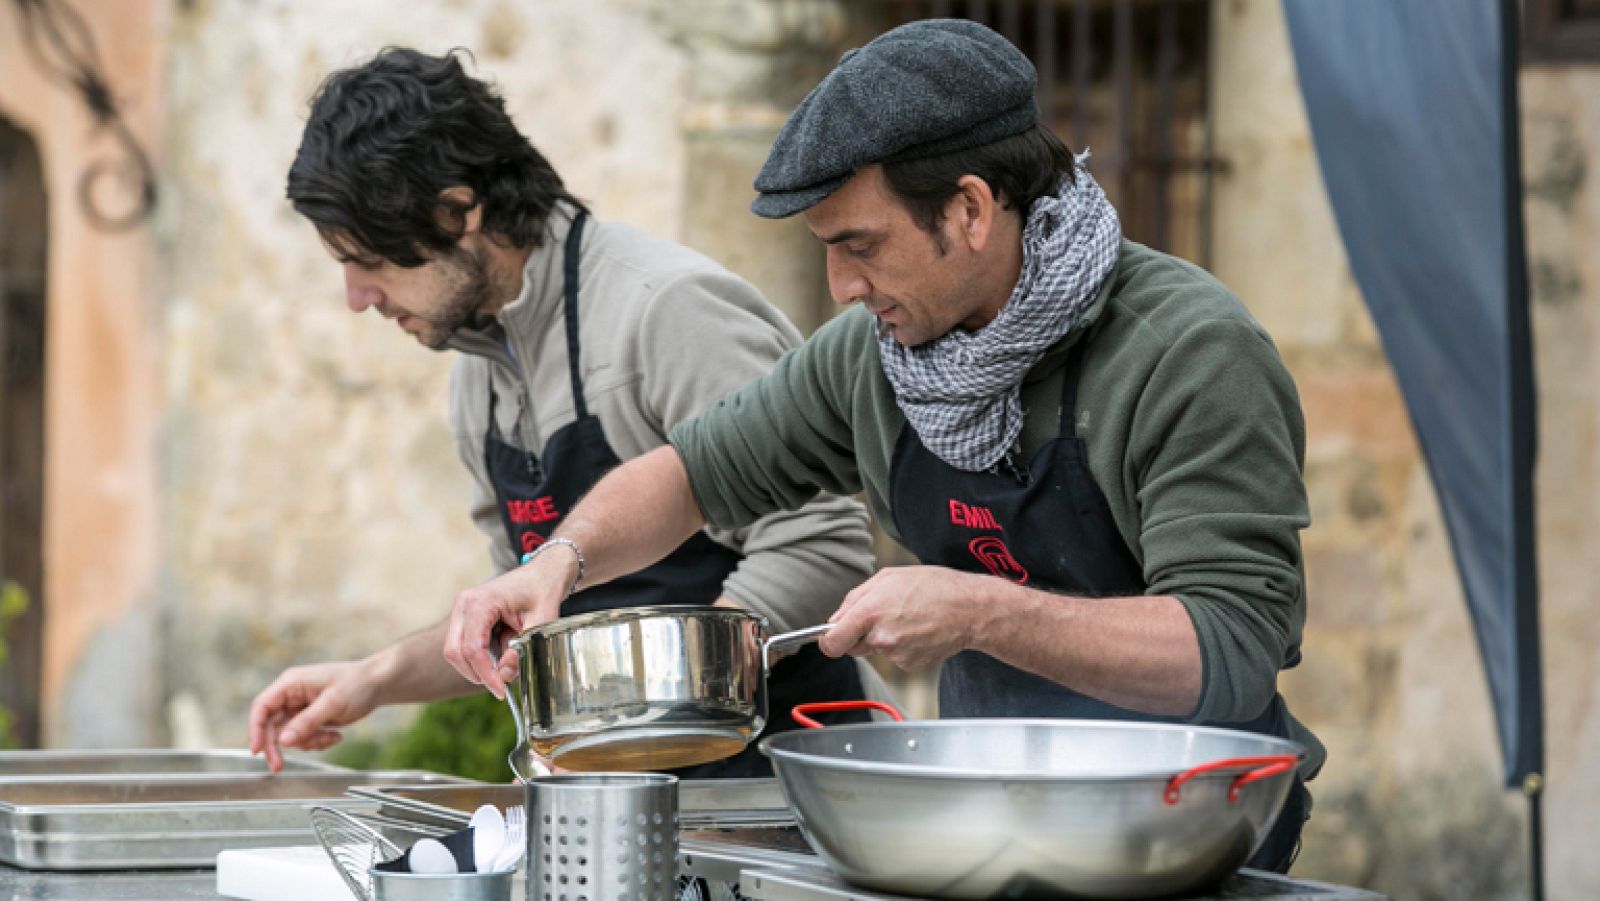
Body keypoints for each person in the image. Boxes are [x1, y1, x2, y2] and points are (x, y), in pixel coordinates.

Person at [439, 19, 1326, 870]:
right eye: (826, 250)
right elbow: (693, 472)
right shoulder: (873, 360)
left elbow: (1229, 644)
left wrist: (978, 611)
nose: (841, 287)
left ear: (971, 210)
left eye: (861, 245)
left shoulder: (1190, 354)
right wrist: (559, 561)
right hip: (992, 817)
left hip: (1189, 830)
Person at [247, 47, 885, 779]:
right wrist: (373, 678)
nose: (357, 297)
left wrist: (666, 695)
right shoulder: (475, 376)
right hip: (616, 793)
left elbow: (826, 546)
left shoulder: (666, 309)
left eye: (370, 260)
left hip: (781, 786)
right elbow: (517, 624)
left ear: (459, 210)